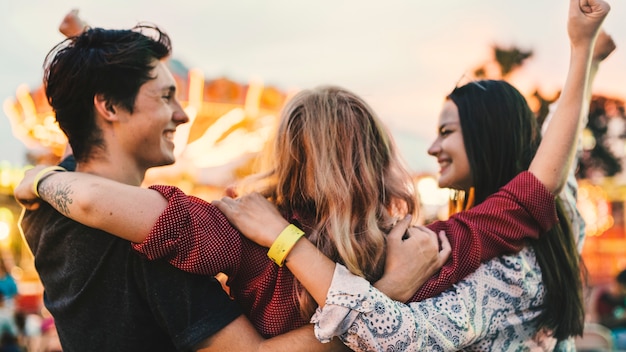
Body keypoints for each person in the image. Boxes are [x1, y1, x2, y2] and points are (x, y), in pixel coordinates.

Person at [14, 3, 596, 345]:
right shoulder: (428, 248)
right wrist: (580, 53)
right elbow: (543, 180)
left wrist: (36, 181)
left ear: (288, 154)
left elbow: (104, 203)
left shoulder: (241, 233)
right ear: (377, 153)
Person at [209, 0, 611, 350]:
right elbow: (557, 154)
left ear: (489, 137)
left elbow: (393, 338)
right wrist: (588, 59)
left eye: (446, 132)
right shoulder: (560, 222)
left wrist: (285, 240)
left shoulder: (499, 270)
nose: (433, 148)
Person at [14, 18, 349, 352]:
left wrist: (89, 44)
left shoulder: (42, 211)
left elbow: (78, 141)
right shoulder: (148, 242)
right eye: (165, 97)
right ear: (110, 106)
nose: (181, 114)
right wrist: (373, 304)